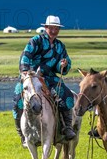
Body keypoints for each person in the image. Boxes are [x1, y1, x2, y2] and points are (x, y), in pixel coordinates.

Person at [13, 15, 77, 147]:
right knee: (17, 99)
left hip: (50, 77)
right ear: (46, 28)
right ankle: (22, 134)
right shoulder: (35, 41)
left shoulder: (60, 46)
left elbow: (64, 63)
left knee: (67, 96)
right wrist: (25, 72)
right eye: (51, 28)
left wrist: (63, 64)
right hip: (31, 77)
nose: (54, 31)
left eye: (56, 28)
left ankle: (67, 127)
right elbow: (26, 56)